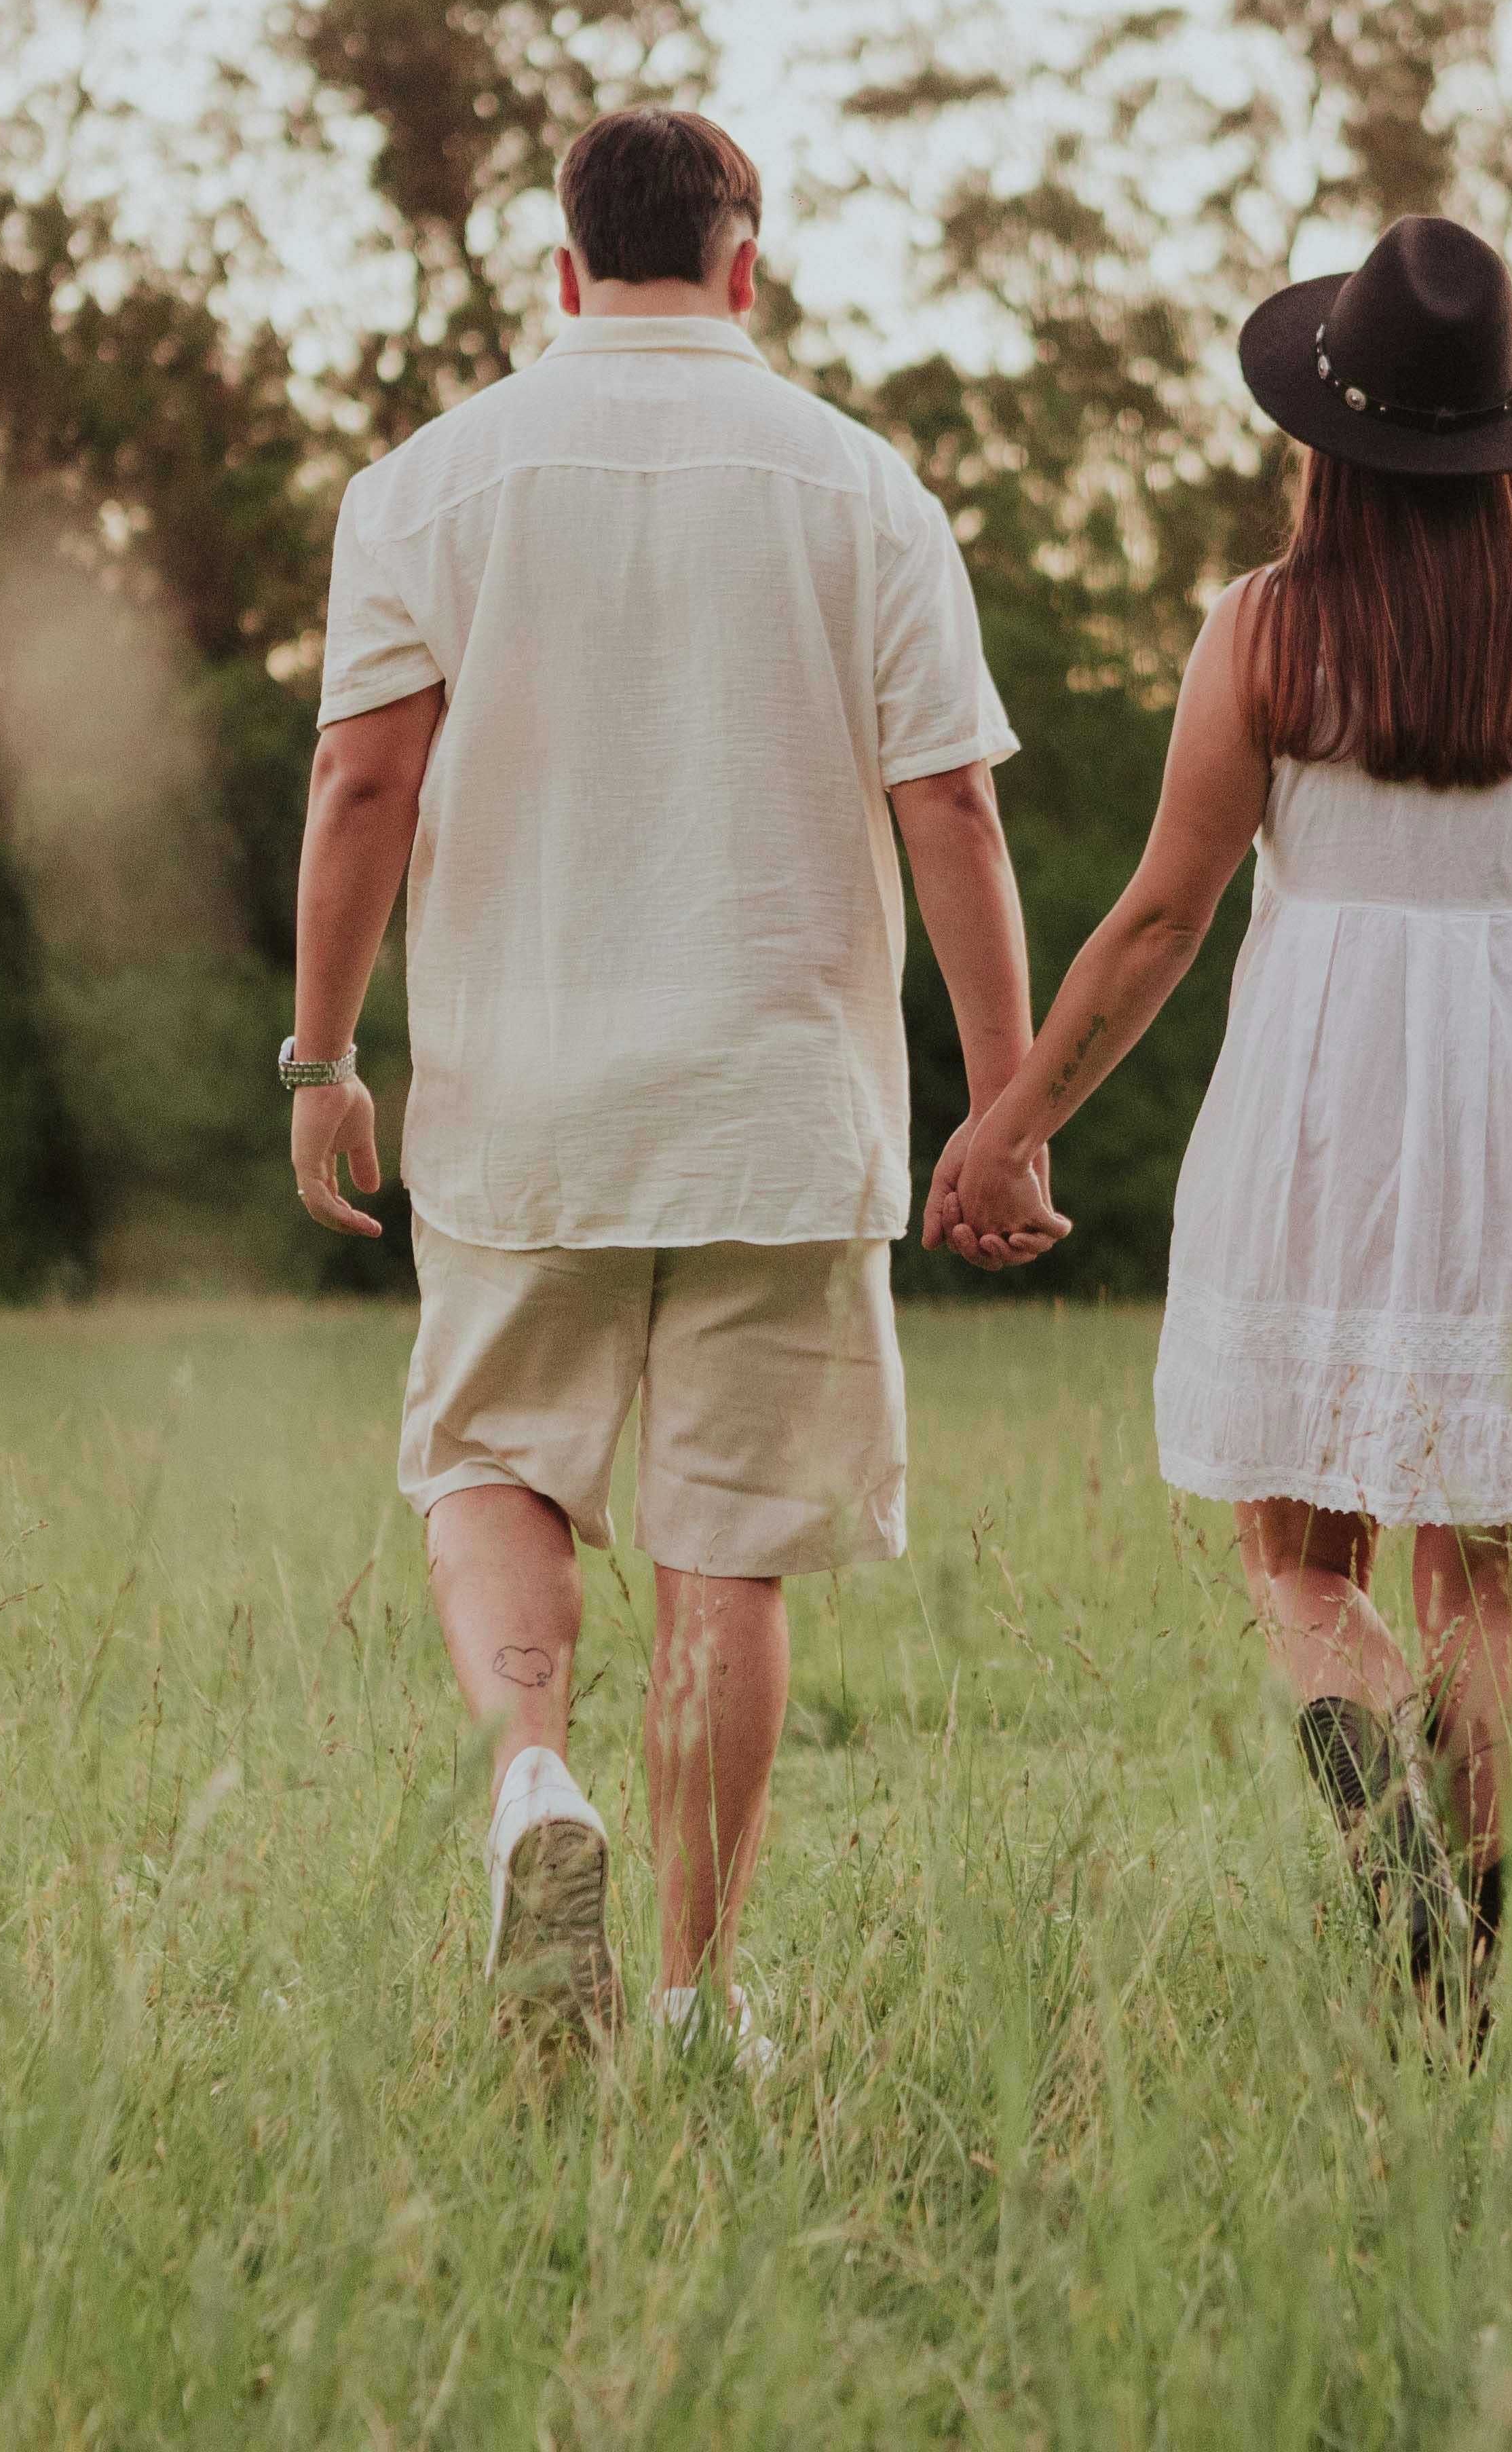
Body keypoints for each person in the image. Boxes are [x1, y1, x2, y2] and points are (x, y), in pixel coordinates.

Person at [935, 216, 1512, 2047]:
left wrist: (1012, 1124)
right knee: (1490, 1581)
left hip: (1328, 1108)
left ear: (1331, 434)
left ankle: (1365, 1758)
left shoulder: (1269, 629)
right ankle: (1467, 1977)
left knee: (1303, 1563)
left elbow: (1163, 917)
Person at [288, 107, 1042, 2062]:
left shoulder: (427, 486)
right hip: (777, 1111)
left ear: (563, 265)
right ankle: (698, 1999)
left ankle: (535, 1777)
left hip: (519, 1105)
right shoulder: (863, 487)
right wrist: (1005, 1107)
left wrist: (322, 1055)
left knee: (489, 1464)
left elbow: (360, 784)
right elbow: (954, 811)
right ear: (744, 264)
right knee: (730, 1550)